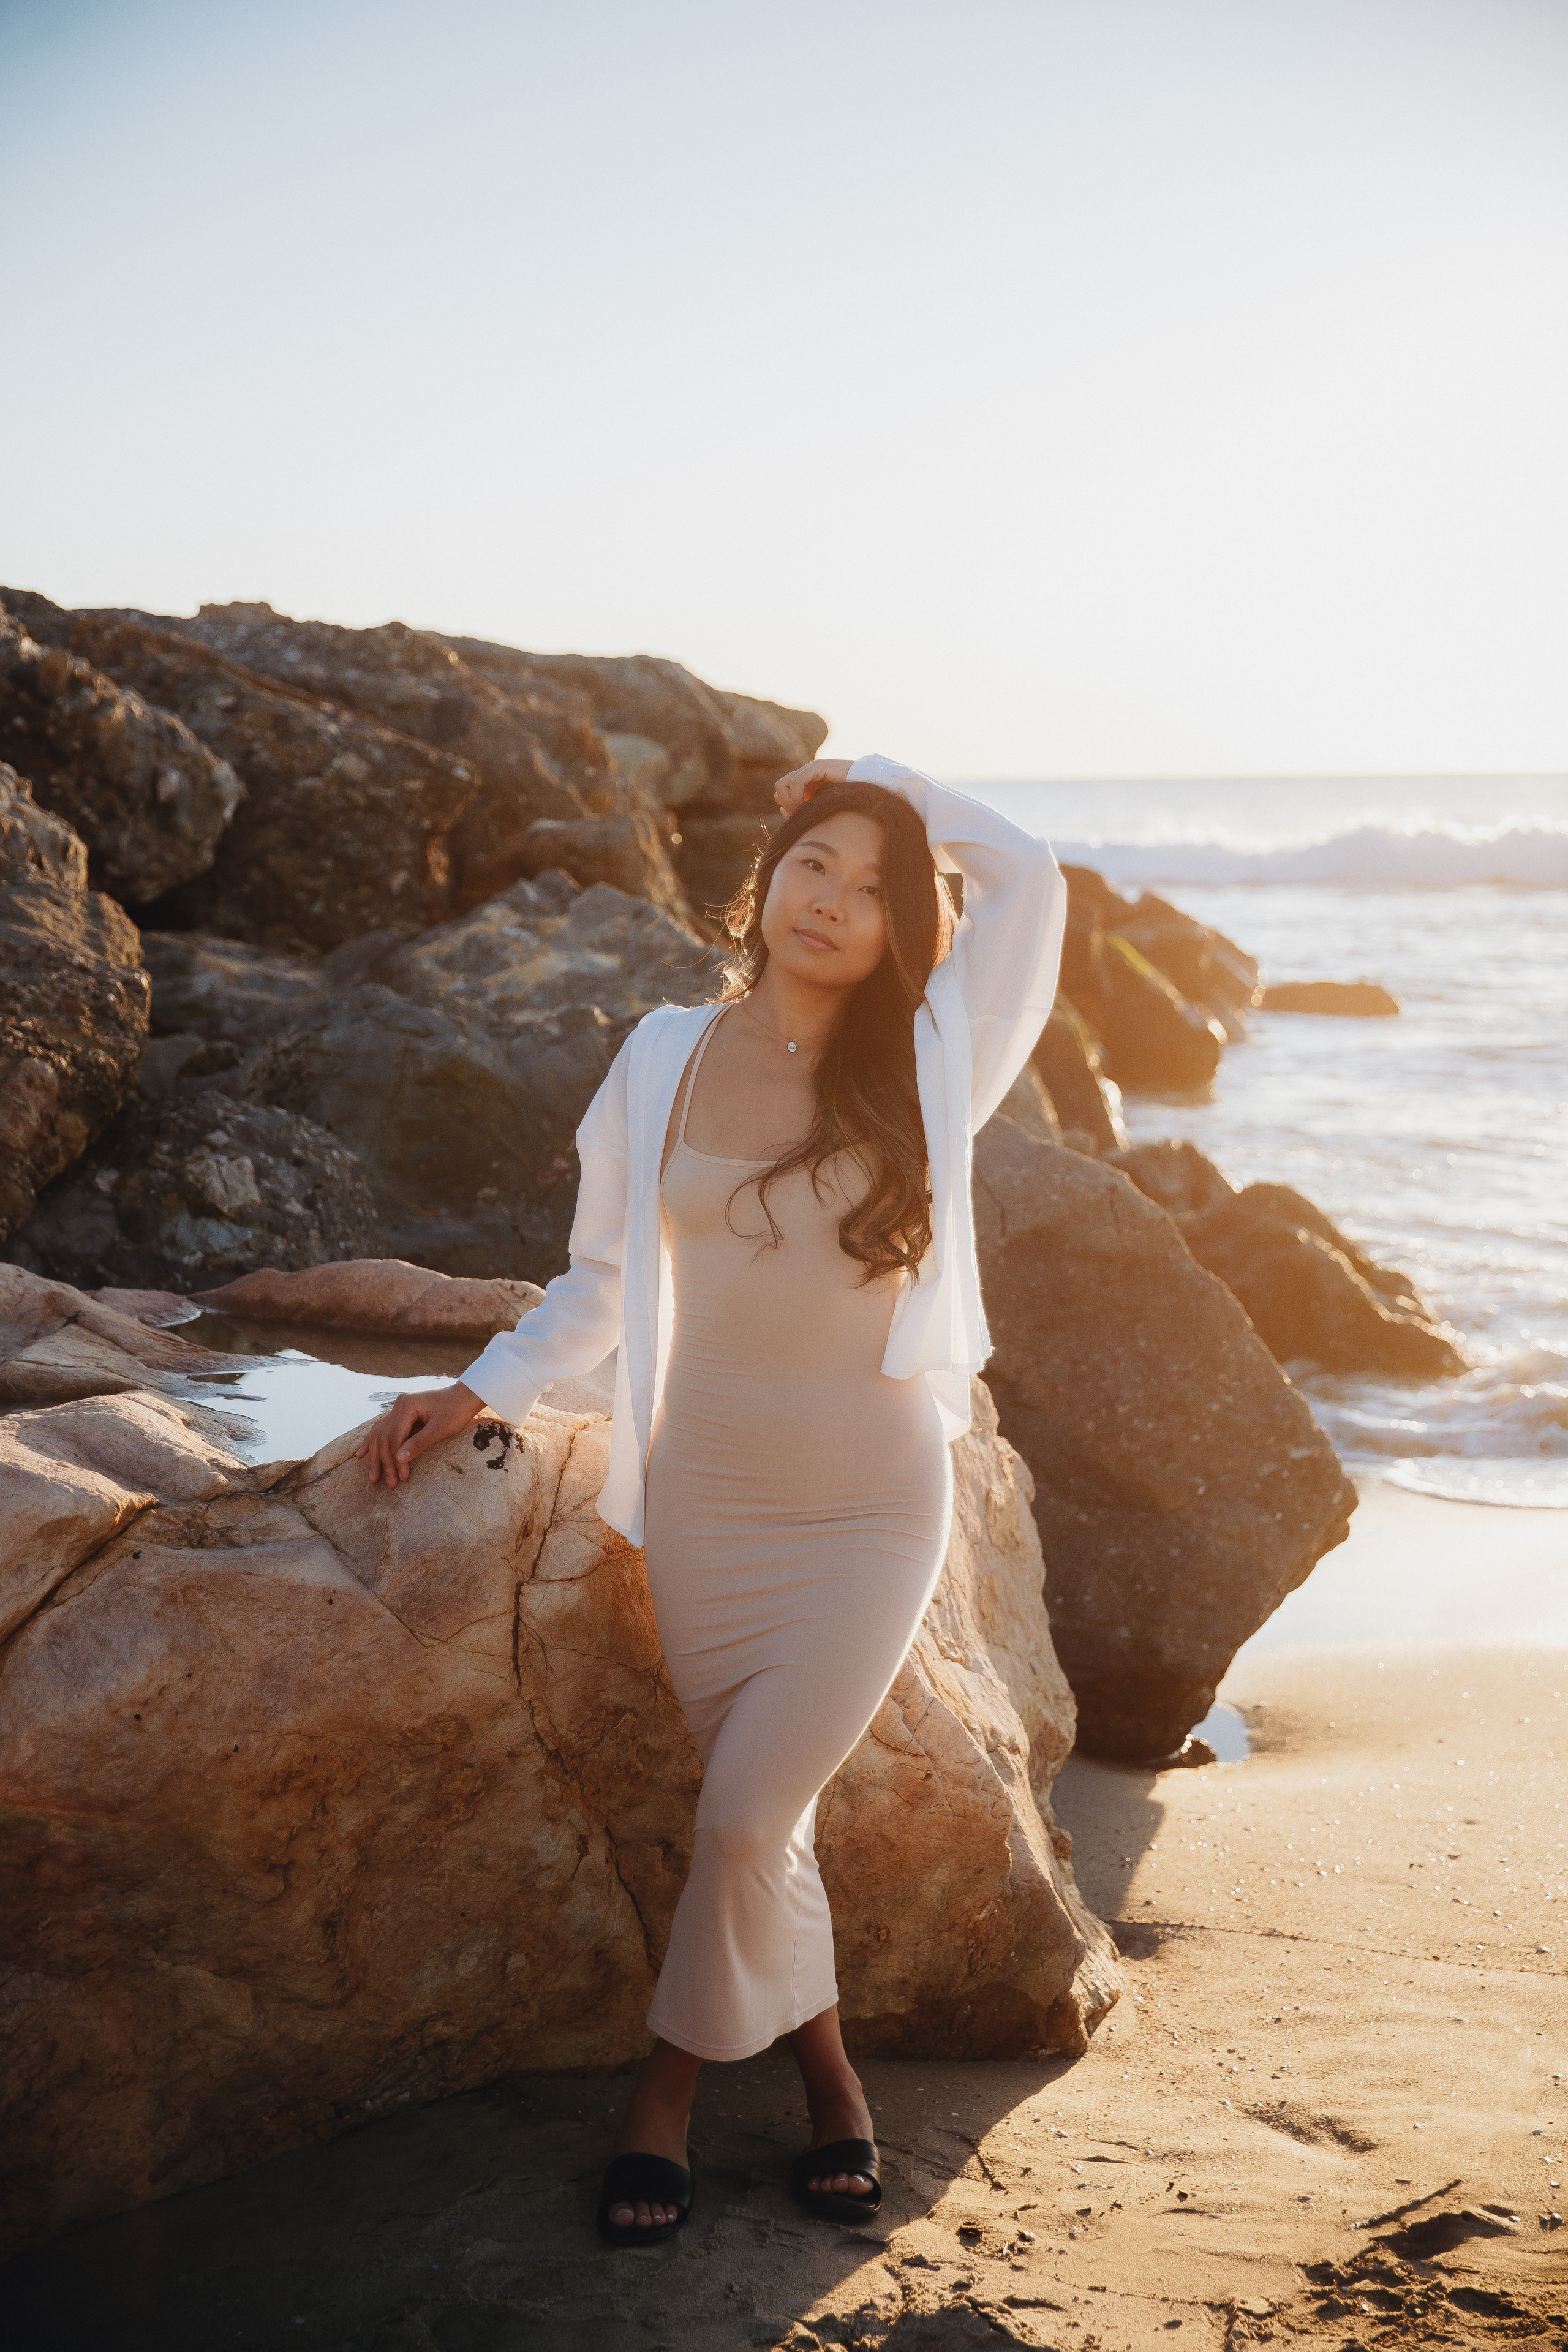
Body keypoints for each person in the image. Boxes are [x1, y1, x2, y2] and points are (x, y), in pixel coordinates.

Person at [358, 755, 1066, 2247]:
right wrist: (476, 1389)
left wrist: (877, 783)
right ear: (769, 878)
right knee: (765, 1827)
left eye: (877, 889)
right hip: (706, 1504)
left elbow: (1029, 878)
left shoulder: (935, 1060)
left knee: (744, 1807)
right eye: (817, 863)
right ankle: (834, 2091)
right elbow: (606, 1280)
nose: (835, 902)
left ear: (900, 933)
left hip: (871, 1506)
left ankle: (660, 2101)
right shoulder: (664, 1050)